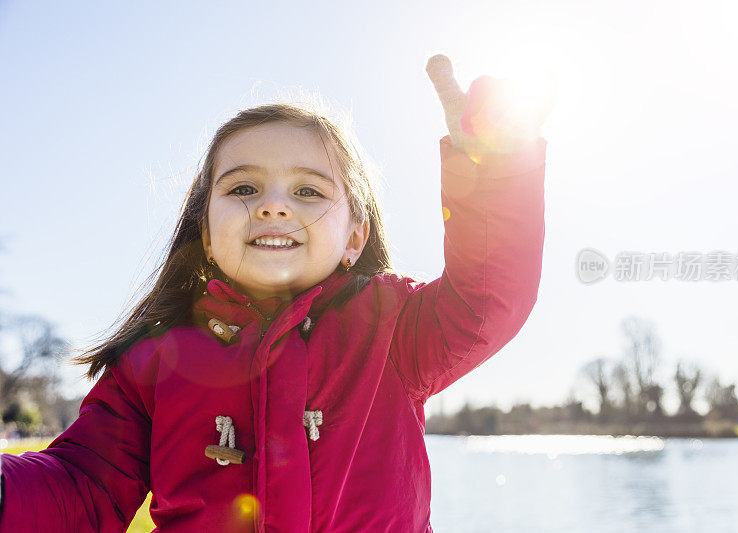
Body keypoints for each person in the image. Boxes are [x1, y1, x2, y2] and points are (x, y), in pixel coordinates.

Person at [0, 54, 551, 532]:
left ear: (353, 238)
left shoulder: (393, 329)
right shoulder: (154, 361)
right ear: (206, 232)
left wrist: (494, 170)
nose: (273, 206)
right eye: (243, 187)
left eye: (308, 190)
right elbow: (83, 486)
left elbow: (487, 299)